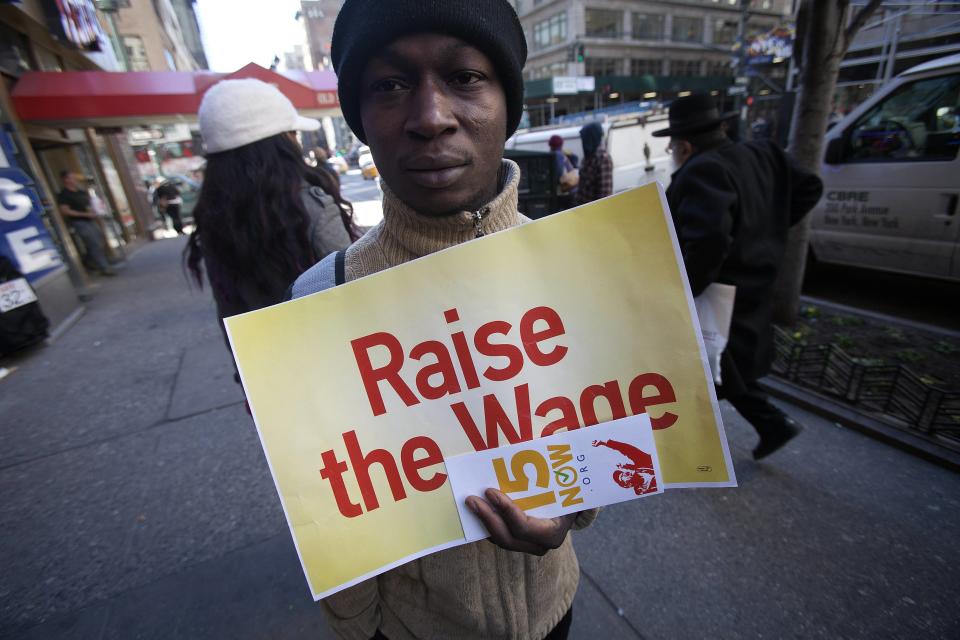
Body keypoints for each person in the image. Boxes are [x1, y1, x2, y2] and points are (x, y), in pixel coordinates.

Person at [289, 2, 597, 638]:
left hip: (555, 610)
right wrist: (363, 627)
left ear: (508, 102)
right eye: (390, 85)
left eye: (465, 77)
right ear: (360, 119)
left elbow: (603, 431)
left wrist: (570, 514)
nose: (430, 118)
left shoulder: (579, 266)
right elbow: (333, 509)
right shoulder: (323, 298)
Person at [653, 94, 824, 460]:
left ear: (684, 145)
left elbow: (710, 240)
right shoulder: (765, 153)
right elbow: (811, 187)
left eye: (672, 148)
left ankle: (736, 432)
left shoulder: (703, 170)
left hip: (718, 287)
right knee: (721, 364)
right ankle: (770, 425)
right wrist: (768, 232)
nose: (672, 154)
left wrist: (685, 290)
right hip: (755, 281)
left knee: (708, 362)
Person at [185, 78, 358, 344]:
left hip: (266, 367)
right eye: (294, 134)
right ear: (282, 144)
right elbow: (354, 290)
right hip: (332, 353)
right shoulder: (311, 205)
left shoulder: (213, 217)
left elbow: (228, 313)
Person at [56, 171, 115, 276]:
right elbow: (65, 210)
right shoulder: (64, 195)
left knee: (99, 241)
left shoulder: (80, 191)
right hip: (80, 222)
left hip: (90, 220)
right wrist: (84, 214)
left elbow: (89, 204)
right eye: (71, 178)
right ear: (66, 180)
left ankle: (89, 261)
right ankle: (104, 267)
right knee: (94, 243)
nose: (74, 180)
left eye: (74, 178)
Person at [574, 122, 613, 205]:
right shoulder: (588, 157)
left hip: (593, 212)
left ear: (592, 137)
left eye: (585, 138)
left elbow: (604, 195)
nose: (583, 142)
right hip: (582, 209)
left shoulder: (603, 158)